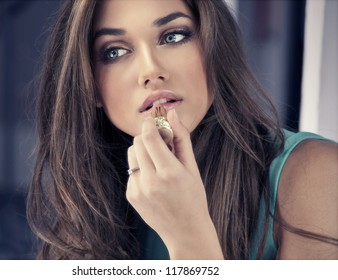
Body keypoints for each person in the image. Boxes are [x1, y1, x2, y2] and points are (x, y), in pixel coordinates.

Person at [26, 0, 338, 260]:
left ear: (214, 48)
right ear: (91, 86)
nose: (151, 71)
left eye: (173, 36)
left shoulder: (316, 173)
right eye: (114, 52)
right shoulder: (92, 199)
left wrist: (188, 235)